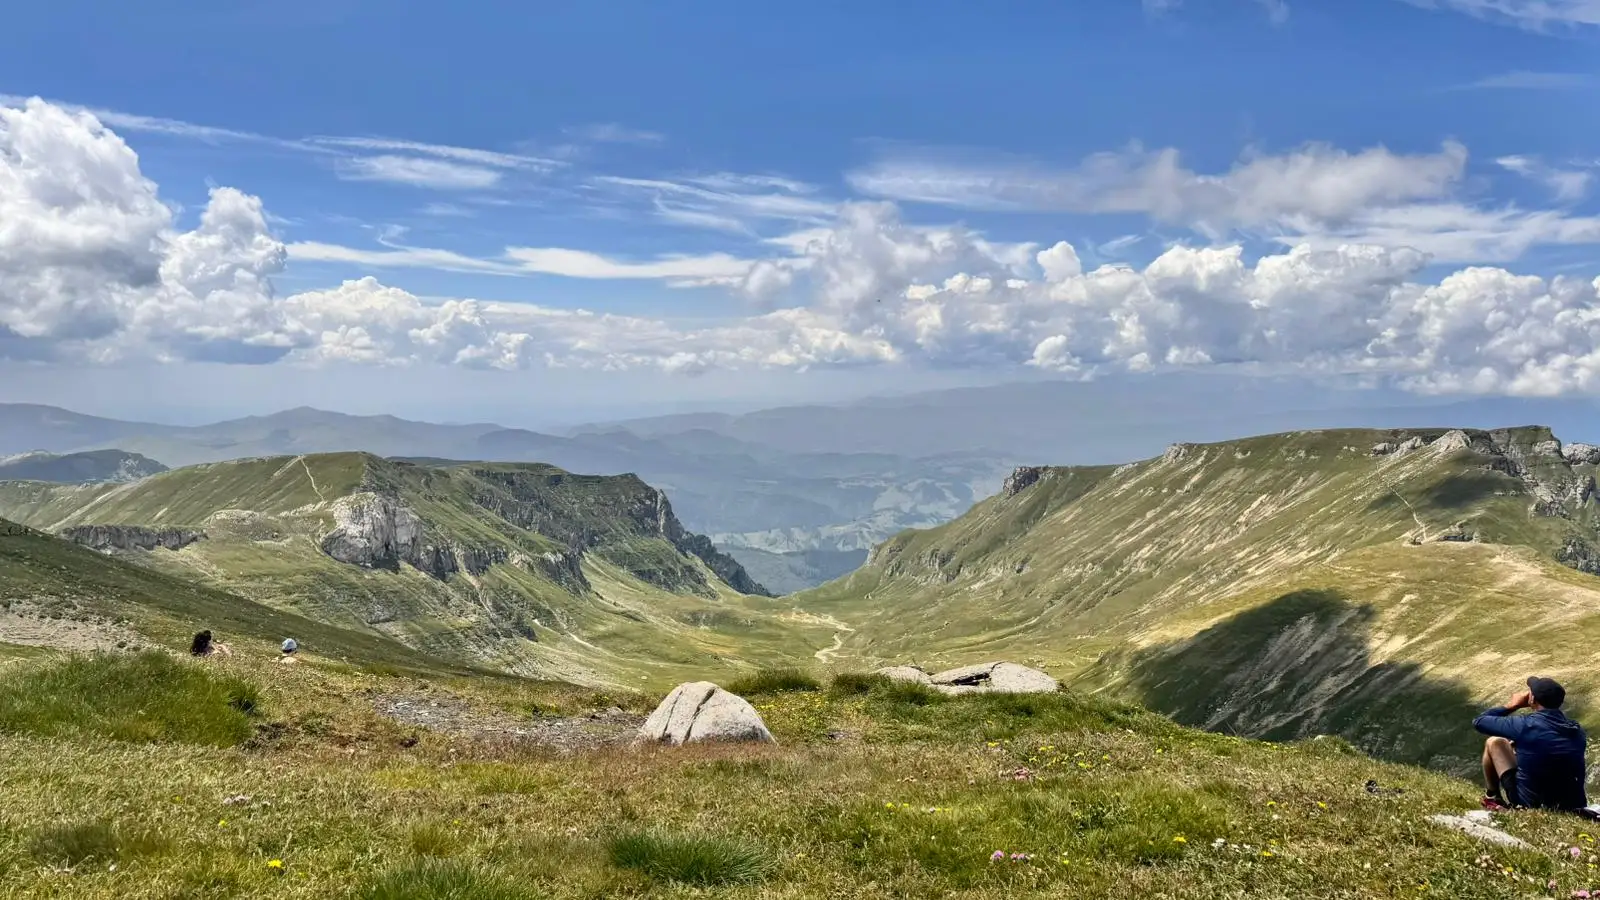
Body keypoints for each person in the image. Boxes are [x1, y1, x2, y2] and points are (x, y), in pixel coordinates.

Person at [1474, 676, 1588, 812]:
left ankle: (1492, 798)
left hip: (1533, 805)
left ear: (1532, 699)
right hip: (1573, 805)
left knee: (1495, 742)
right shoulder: (1577, 730)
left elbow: (1479, 721)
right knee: (1517, 747)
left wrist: (1512, 705)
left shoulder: (1525, 725)